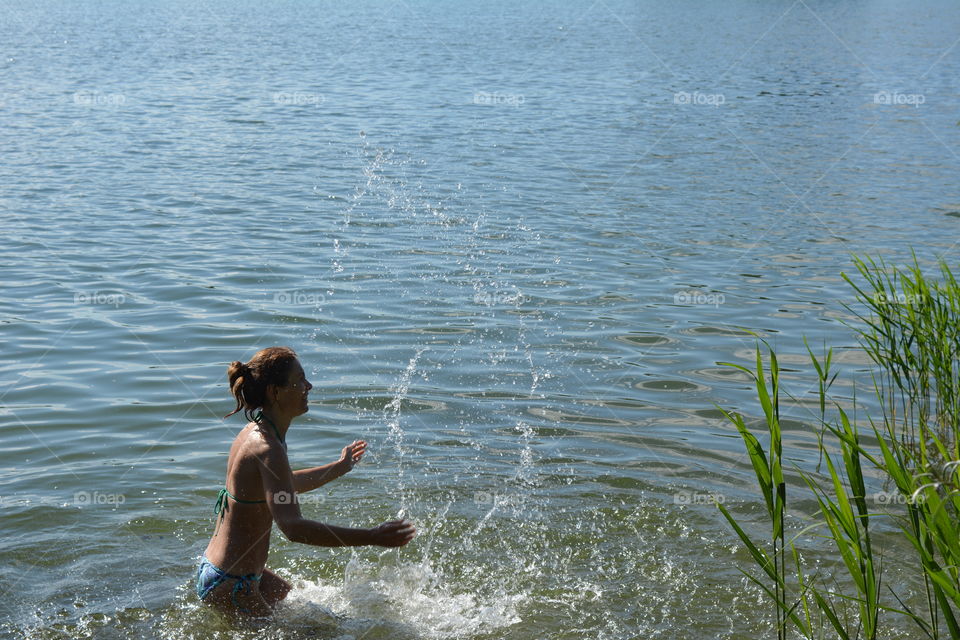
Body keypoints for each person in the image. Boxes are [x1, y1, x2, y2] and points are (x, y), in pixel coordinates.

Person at [195, 346, 416, 616]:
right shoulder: (268, 447)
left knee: (298, 604)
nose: (308, 386)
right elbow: (293, 528)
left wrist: (339, 467)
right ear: (275, 392)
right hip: (232, 584)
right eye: (299, 381)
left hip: (224, 571)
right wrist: (371, 536)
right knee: (322, 632)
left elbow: (281, 486)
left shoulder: (256, 431)